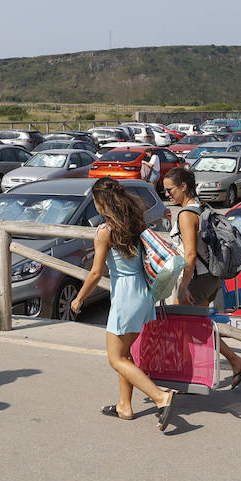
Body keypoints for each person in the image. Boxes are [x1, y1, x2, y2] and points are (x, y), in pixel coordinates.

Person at [69, 177, 175, 431]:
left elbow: (96, 273)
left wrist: (79, 298)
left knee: (115, 359)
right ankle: (124, 406)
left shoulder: (105, 231)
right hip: (143, 292)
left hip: (125, 295)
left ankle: (161, 396)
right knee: (125, 354)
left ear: (101, 203)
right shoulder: (134, 223)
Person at [162, 167, 241, 388]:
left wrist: (184, 286)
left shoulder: (186, 214)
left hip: (197, 280)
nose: (167, 195)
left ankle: (186, 376)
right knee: (196, 326)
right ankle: (234, 362)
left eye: (170, 190)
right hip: (211, 277)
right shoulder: (201, 208)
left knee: (183, 327)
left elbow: (190, 253)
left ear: (184, 186)